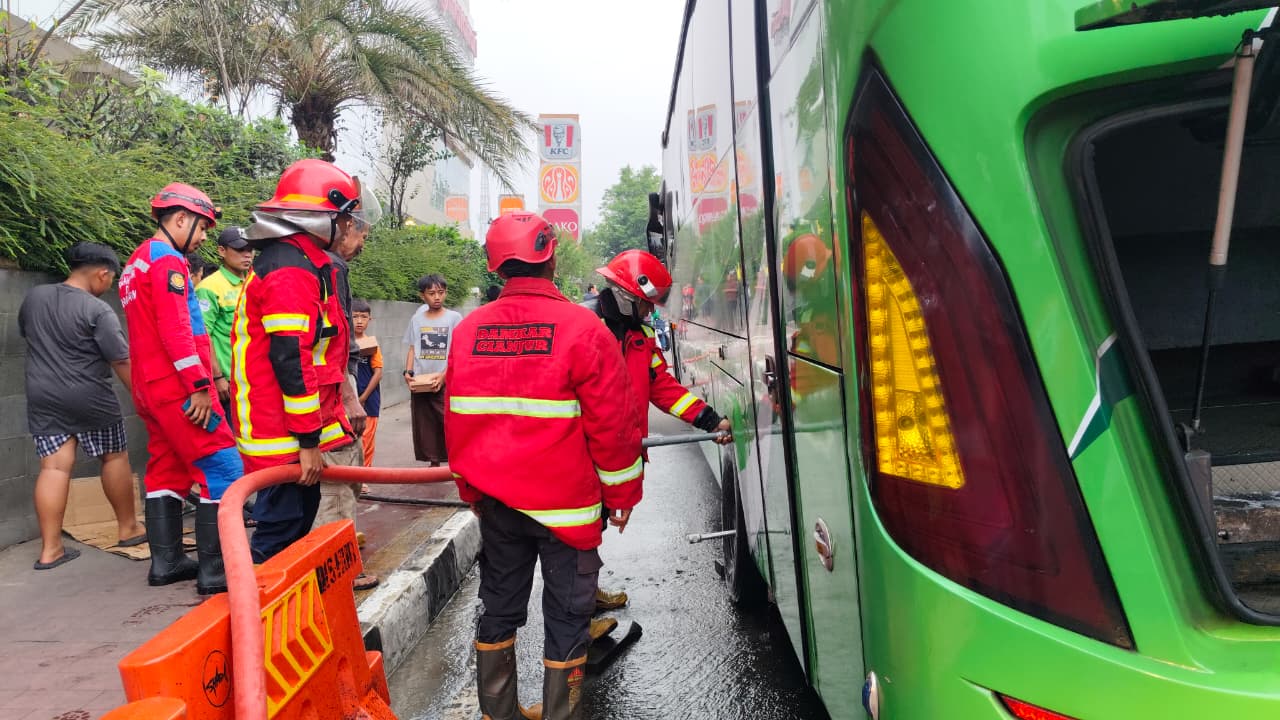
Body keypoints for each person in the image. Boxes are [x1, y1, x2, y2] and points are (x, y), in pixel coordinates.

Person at [446, 211, 643, 720]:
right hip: (568, 511)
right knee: (568, 617)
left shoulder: (468, 331)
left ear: (496, 266)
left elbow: (457, 420)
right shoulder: (584, 329)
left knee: (498, 609)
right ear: (551, 259)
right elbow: (613, 426)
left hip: (498, 506)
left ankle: (498, 713)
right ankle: (561, 714)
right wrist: (622, 495)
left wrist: (471, 490)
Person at [583, 249, 733, 615]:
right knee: (578, 526)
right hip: (581, 448)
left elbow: (661, 386)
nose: (651, 310)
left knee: (593, 524)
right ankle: (578, 614)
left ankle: (584, 593)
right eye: (646, 303)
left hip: (616, 448)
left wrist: (710, 420)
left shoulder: (641, 334)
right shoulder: (584, 327)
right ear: (627, 296)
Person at [232, 159, 360, 563]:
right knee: (282, 529)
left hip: (293, 425)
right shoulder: (290, 269)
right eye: (344, 217)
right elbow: (291, 358)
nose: (348, 227)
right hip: (281, 429)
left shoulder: (303, 262)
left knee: (297, 521)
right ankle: (258, 599)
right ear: (321, 217)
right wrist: (308, 442)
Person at [120, 183, 240, 594]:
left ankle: (167, 563)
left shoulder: (136, 261)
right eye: (202, 227)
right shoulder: (168, 260)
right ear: (181, 219)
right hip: (180, 388)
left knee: (166, 470)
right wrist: (200, 386)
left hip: (150, 387)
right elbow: (176, 329)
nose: (204, 237)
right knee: (224, 468)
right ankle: (215, 571)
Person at [20, 242, 146, 570]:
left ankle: (50, 550)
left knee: (54, 467)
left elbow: (28, 333)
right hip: (90, 396)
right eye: (111, 279)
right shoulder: (97, 310)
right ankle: (128, 528)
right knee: (114, 456)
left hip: (43, 395)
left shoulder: (34, 297)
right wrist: (142, 399)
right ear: (102, 274)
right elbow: (121, 360)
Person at [311, 183, 378, 590]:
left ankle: (338, 555)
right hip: (330, 392)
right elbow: (331, 343)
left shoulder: (313, 264)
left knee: (343, 478)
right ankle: (338, 573)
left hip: (328, 388)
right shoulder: (329, 268)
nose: (362, 245)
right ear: (346, 226)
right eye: (362, 236)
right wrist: (349, 398)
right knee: (338, 479)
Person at [195, 226, 253, 423]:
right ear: (222, 251)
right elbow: (203, 335)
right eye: (240, 249)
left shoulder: (254, 282)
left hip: (254, 377)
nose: (247, 254)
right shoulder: (209, 288)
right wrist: (217, 377)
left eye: (250, 249)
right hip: (228, 382)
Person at [402, 274, 461, 466]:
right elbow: (413, 348)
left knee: (449, 421)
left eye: (441, 292)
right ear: (422, 295)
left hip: (445, 379)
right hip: (422, 381)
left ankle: (457, 459)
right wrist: (408, 372)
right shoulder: (417, 319)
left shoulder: (454, 318)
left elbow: (458, 351)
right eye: (432, 293)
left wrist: (444, 376)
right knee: (424, 423)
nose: (437, 297)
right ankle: (433, 461)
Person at [351, 299, 382, 467]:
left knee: (366, 440)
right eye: (355, 316)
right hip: (348, 402)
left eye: (363, 317)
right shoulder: (344, 343)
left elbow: (378, 373)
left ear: (370, 319)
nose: (359, 321)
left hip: (369, 402)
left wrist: (363, 398)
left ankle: (365, 474)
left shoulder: (372, 344)